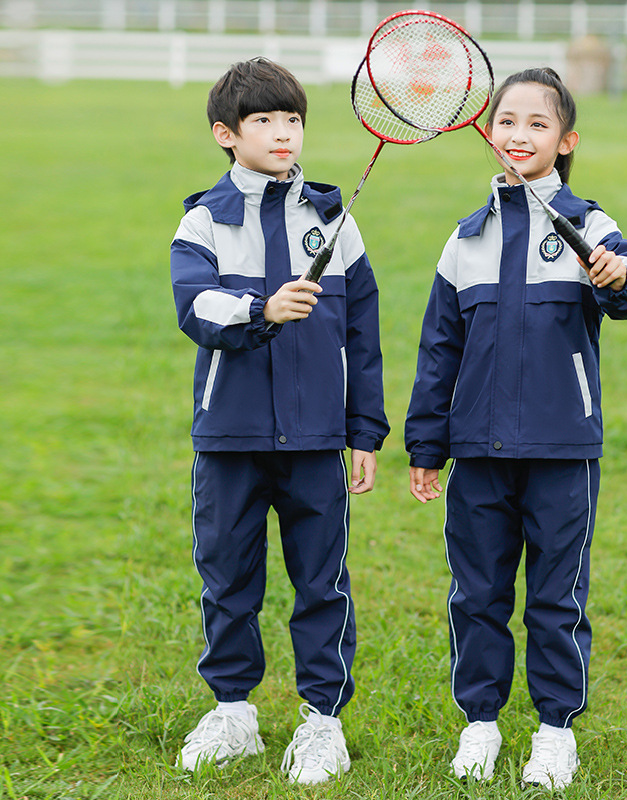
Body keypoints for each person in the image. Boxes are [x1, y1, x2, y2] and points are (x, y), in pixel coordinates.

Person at [405, 67, 627, 789]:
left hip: (561, 450)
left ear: (565, 141)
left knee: (556, 595)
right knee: (476, 592)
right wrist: (427, 444)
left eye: (537, 124)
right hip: (477, 453)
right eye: (507, 121)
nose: (519, 134)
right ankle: (479, 722)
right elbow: (438, 352)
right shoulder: (465, 240)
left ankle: (554, 731)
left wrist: (617, 276)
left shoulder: (590, 226)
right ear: (490, 132)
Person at [170, 57, 389, 784]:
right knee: (229, 577)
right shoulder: (203, 218)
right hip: (229, 435)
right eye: (263, 120)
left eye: (292, 118)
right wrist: (260, 311)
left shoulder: (334, 219)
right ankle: (233, 711)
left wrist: (364, 430)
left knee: (321, 581)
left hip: (317, 437)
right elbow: (194, 307)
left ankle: (322, 720)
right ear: (225, 134)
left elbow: (364, 332)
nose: (282, 132)